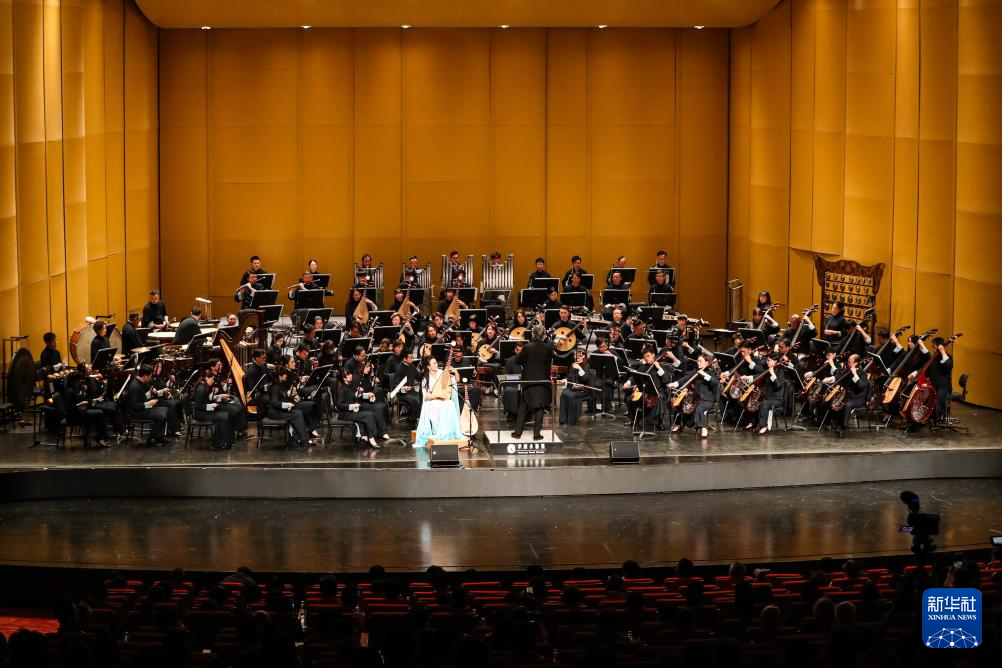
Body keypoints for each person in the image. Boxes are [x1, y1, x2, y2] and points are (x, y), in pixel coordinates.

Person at [511, 325, 554, 441]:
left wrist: (526, 362)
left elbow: (517, 361)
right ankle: (536, 434)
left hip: (528, 380)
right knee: (540, 407)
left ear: (532, 334)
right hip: (542, 380)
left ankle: (517, 433)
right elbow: (553, 356)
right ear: (543, 335)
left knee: (523, 406)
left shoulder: (527, 347)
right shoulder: (547, 347)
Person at [413, 357, 466, 447]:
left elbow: (456, 381)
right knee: (443, 406)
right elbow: (426, 396)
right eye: (434, 363)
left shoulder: (441, 373)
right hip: (432, 401)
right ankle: (441, 433)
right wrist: (438, 395)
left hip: (443, 399)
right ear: (428, 367)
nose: (437, 364)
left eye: (436, 362)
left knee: (450, 404)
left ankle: (449, 432)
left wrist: (456, 372)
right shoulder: (426, 379)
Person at [121, 365, 177, 446]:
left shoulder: (140, 382)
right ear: (145, 375)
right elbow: (134, 406)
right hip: (135, 413)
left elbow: (141, 397)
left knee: (165, 410)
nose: (151, 377)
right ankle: (152, 438)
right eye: (150, 375)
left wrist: (150, 393)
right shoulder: (135, 386)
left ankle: (159, 437)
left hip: (140, 409)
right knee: (161, 416)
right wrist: (149, 403)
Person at [667, 353, 718, 438]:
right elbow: (685, 379)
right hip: (696, 399)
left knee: (699, 408)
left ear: (706, 362)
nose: (698, 363)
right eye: (698, 361)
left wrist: (704, 374)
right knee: (680, 403)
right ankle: (679, 424)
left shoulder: (710, 373)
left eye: (701, 361)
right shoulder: (695, 372)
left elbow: (714, 382)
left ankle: (703, 428)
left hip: (707, 400)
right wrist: (674, 384)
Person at [337, 369, 388, 448]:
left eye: (350, 374)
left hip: (352, 411)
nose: (351, 375)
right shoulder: (342, 389)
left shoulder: (350, 386)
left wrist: (359, 392)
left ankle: (369, 436)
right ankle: (371, 438)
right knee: (369, 415)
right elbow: (339, 405)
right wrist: (353, 405)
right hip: (345, 414)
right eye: (348, 375)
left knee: (370, 414)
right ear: (344, 378)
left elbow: (353, 396)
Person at [268, 366, 318, 447]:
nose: (286, 375)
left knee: (299, 412)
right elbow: (274, 402)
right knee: (297, 414)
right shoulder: (275, 387)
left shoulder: (281, 384)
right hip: (275, 413)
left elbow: (283, 397)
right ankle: (304, 439)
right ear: (279, 376)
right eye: (284, 374)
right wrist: (287, 405)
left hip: (280, 411)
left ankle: (301, 438)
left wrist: (291, 394)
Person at [62, 371, 111, 447]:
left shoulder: (75, 388)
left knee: (100, 412)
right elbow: (69, 408)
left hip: (79, 412)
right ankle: (101, 438)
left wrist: (94, 399)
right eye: (79, 379)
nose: (81, 381)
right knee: (100, 413)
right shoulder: (69, 391)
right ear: (75, 380)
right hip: (73, 416)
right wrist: (80, 404)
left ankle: (101, 437)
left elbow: (81, 399)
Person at [192, 373, 236, 450]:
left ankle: (221, 442)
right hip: (201, 415)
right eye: (212, 379)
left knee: (225, 415)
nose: (213, 381)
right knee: (224, 417)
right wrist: (211, 405)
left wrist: (213, 393)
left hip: (204, 412)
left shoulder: (204, 386)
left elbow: (207, 400)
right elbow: (198, 406)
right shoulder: (201, 389)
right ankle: (220, 443)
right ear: (206, 378)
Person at [832, 353, 870, 438]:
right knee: (834, 402)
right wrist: (830, 379)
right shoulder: (848, 371)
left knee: (847, 405)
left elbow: (861, 386)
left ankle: (844, 427)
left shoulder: (862, 373)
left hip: (859, 398)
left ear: (856, 363)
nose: (847, 364)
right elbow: (840, 378)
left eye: (849, 362)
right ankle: (837, 422)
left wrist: (855, 374)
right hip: (848, 396)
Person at [559, 349, 596, 425]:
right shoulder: (573, 365)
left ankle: (571, 420)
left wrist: (579, 368)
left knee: (571, 395)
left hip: (585, 389)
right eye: (575, 356)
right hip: (574, 388)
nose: (577, 357)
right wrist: (565, 380)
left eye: (579, 356)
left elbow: (585, 379)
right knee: (564, 393)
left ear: (583, 356)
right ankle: (563, 419)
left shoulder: (587, 365)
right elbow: (569, 377)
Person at [925, 336, 954, 423]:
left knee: (938, 399)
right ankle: (928, 417)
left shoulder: (948, 357)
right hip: (933, 385)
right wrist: (915, 373)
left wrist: (942, 352)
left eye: (934, 347)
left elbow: (948, 365)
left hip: (944, 387)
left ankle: (940, 417)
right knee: (926, 399)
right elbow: (925, 370)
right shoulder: (933, 358)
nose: (932, 349)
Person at [391, 350, 422, 425]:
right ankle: (414, 421)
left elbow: (419, 377)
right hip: (402, 393)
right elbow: (396, 385)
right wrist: (404, 387)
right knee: (413, 400)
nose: (413, 359)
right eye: (410, 358)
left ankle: (419, 418)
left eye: (412, 357)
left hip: (411, 391)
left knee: (422, 395)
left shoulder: (412, 366)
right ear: (405, 359)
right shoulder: (399, 368)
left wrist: (424, 371)